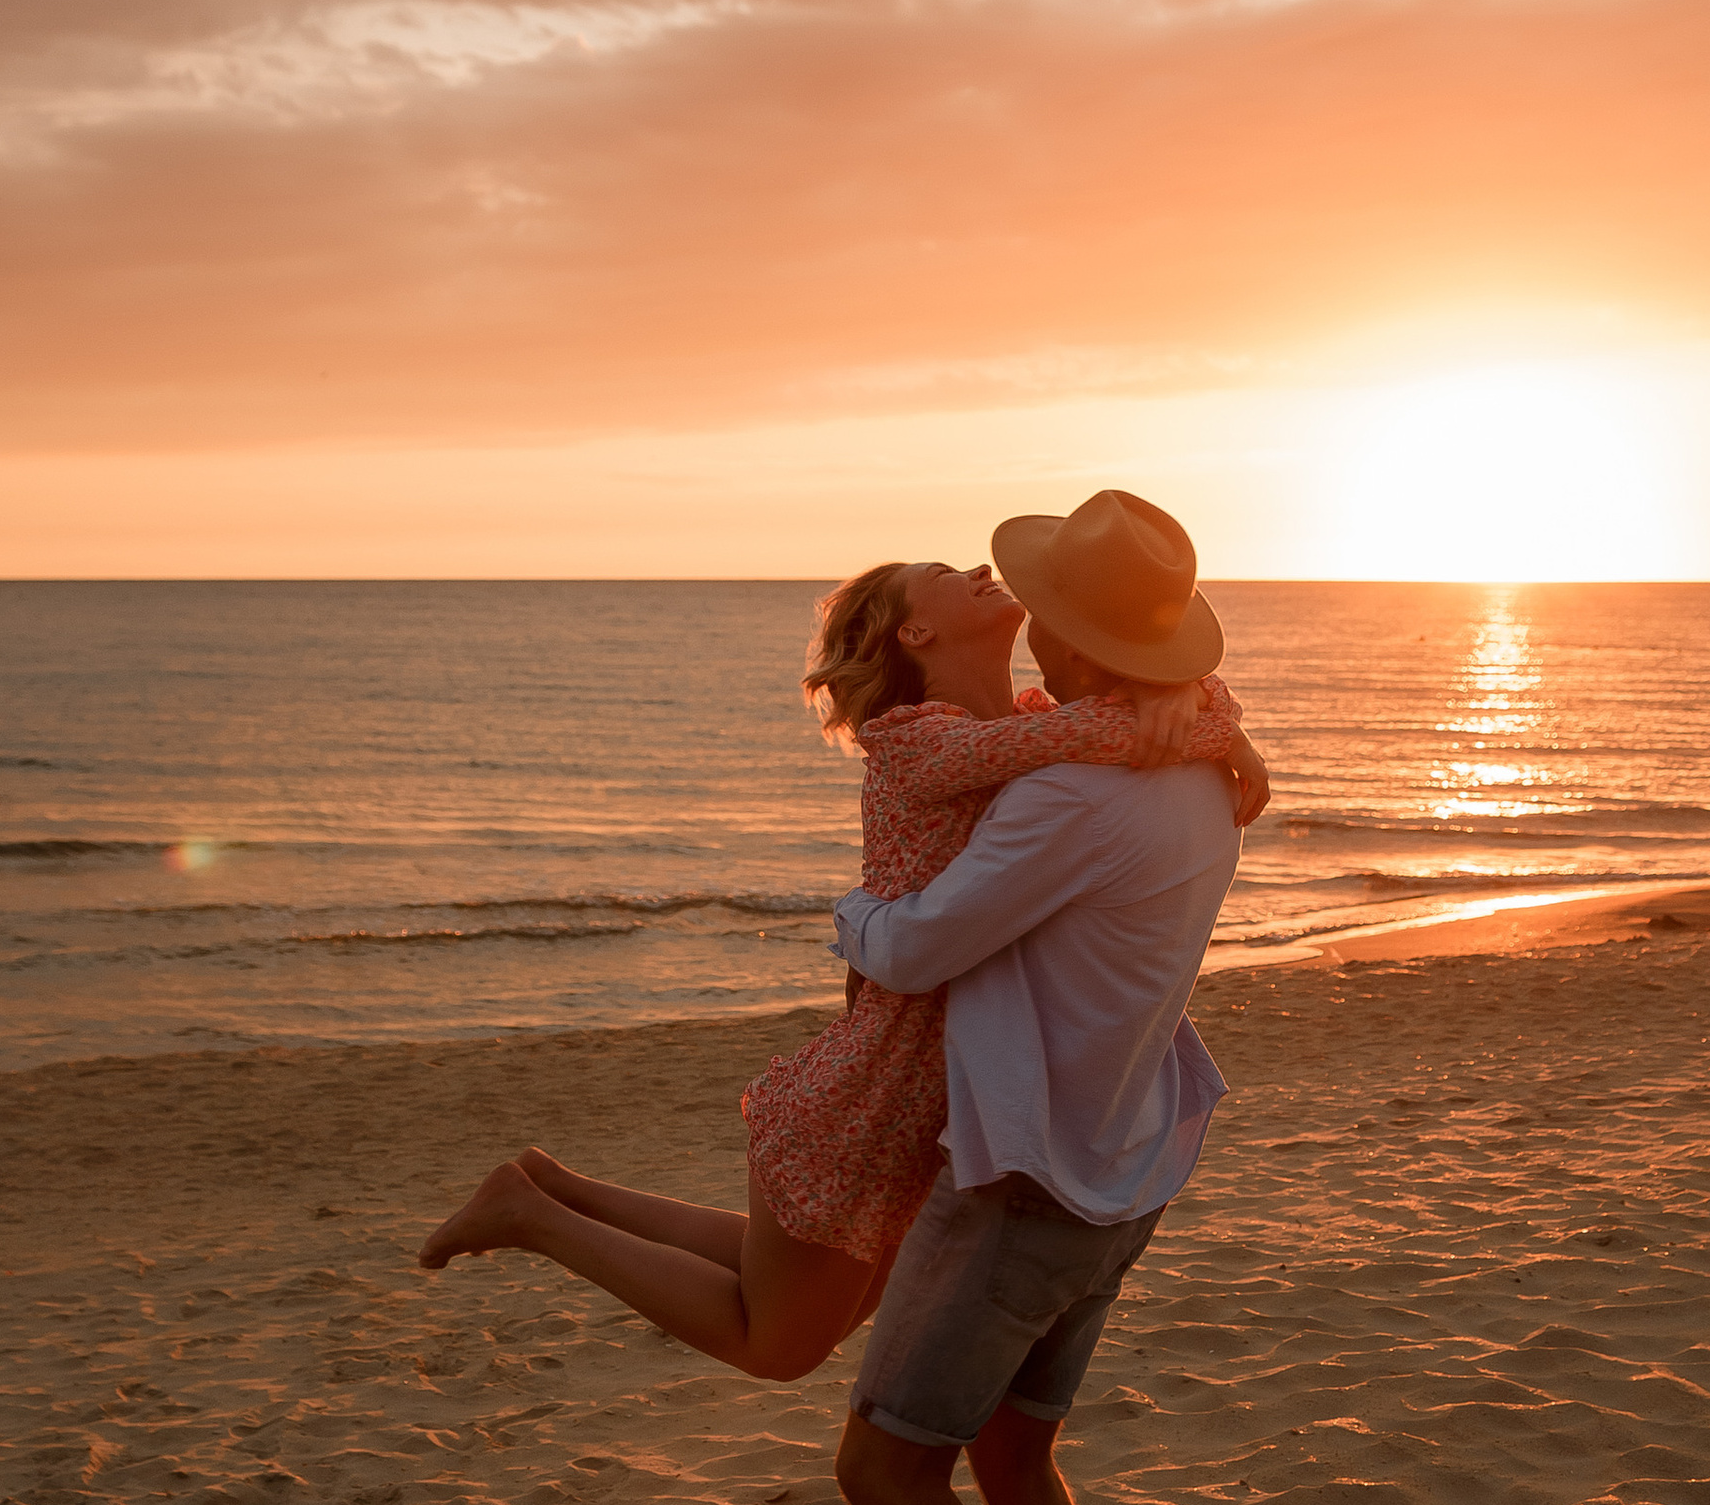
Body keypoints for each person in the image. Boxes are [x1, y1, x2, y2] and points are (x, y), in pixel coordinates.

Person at [415, 549, 1269, 1384]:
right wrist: (1204, 715)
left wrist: (1192, 698)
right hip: (876, 1093)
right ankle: (532, 1217)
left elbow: (1104, 723)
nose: (979, 569)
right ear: (916, 635)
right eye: (943, 576)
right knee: (777, 1346)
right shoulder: (918, 739)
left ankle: (557, 1187)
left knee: (781, 1278)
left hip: (931, 1101)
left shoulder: (1023, 728)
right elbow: (1110, 728)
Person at [826, 491, 1248, 1505]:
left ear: (1066, 638)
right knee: (1016, 1462)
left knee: (885, 1472)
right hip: (1125, 1162)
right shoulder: (1201, 770)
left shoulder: (1070, 794)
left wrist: (852, 905)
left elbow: (914, 948)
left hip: (1028, 1185)